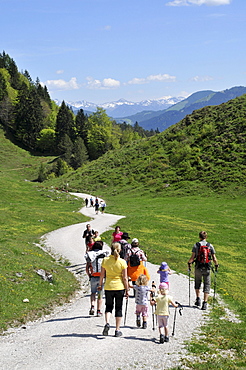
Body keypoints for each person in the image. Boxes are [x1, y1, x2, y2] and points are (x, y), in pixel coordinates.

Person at [99, 242, 129, 337]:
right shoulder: (122, 262)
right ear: (120, 250)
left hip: (108, 286)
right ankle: (117, 329)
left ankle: (107, 323)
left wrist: (100, 285)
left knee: (108, 306)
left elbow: (102, 275)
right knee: (118, 308)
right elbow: (125, 278)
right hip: (119, 287)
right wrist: (127, 289)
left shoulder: (105, 260)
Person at [188, 231, 219, 310]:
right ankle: (204, 303)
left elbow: (192, 258)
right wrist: (216, 265)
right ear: (206, 237)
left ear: (199, 237)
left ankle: (198, 299)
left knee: (197, 282)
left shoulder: (196, 245)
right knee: (207, 284)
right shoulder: (210, 246)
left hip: (198, 266)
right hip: (207, 267)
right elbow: (214, 258)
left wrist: (189, 263)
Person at [85, 241, 109, 317]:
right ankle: (98, 311)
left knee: (93, 292)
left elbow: (87, 267)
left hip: (93, 276)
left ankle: (92, 306)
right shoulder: (104, 254)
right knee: (100, 294)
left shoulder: (90, 255)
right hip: (101, 277)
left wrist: (89, 275)